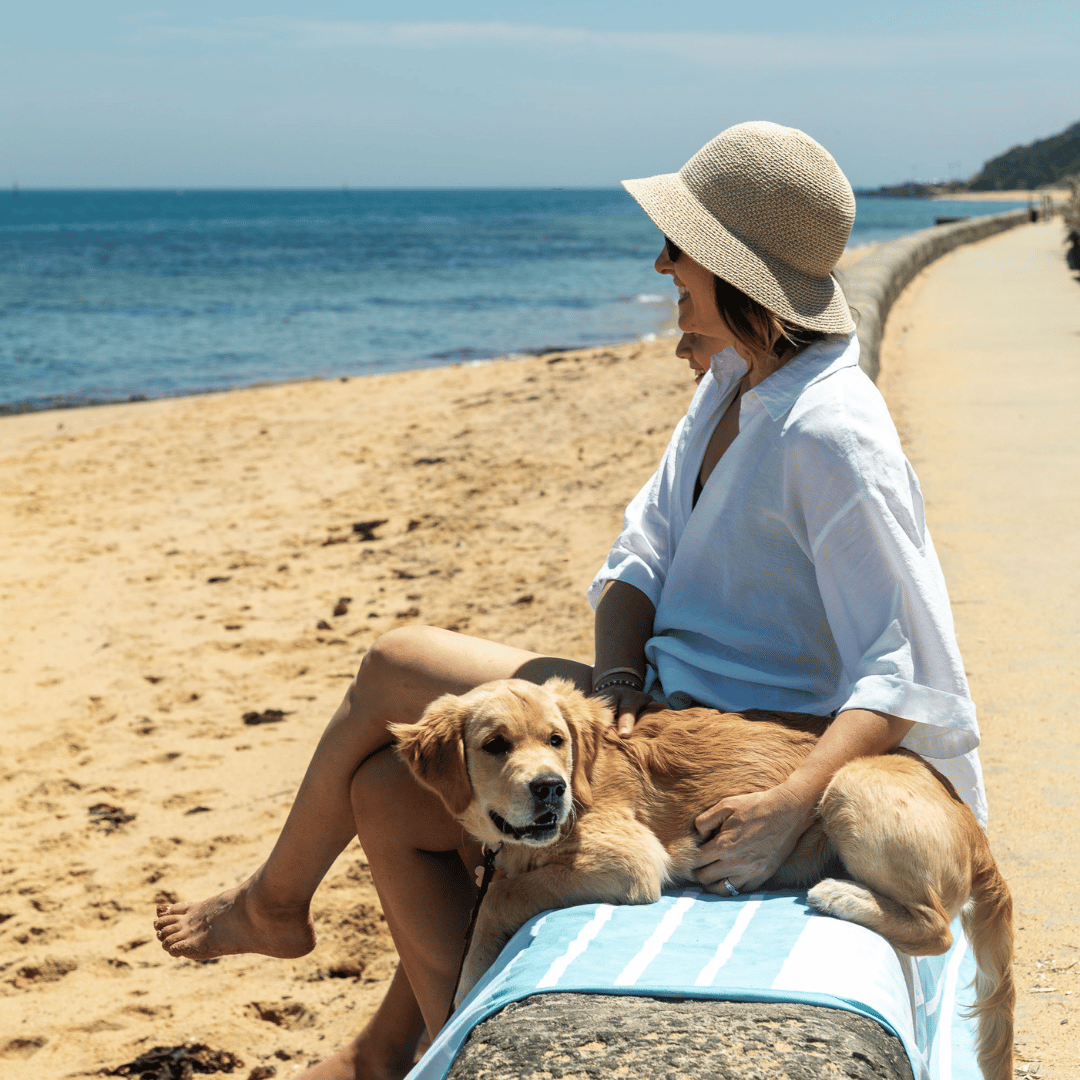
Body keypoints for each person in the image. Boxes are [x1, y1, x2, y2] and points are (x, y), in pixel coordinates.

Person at [154, 121, 985, 1080]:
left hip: (751, 737)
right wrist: (621, 675)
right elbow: (637, 556)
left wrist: (795, 798)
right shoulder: (732, 385)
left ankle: (337, 967)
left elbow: (909, 668)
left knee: (391, 721)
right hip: (662, 700)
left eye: (683, 246)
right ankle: (400, 1035)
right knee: (394, 754)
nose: (662, 261)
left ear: (733, 271)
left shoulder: (830, 433)